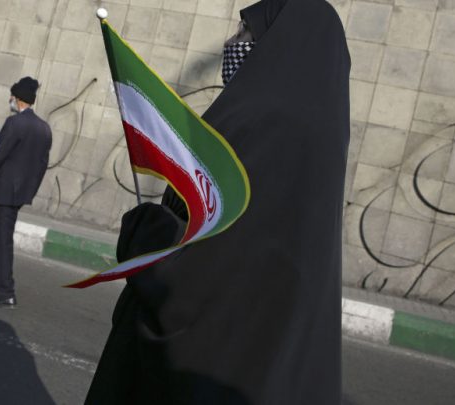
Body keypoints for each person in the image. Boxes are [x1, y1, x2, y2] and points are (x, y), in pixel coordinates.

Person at [85, 0, 350, 404]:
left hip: (208, 357)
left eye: (245, 32)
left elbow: (214, 262)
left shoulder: (262, 122)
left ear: (281, 44)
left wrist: (148, 234)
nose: (231, 42)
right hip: (267, 352)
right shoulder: (319, 127)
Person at [0, 77, 52, 307]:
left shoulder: (15, 123)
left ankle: (4, 292)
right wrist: (29, 191)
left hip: (6, 192)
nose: (10, 100)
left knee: (1, 242)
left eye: (11, 96)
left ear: (18, 98)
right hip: (20, 193)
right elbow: (42, 165)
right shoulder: (44, 128)